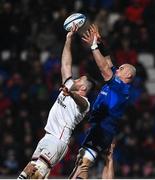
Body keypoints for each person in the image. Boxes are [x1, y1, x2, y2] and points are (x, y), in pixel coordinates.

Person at [17, 25, 95, 179]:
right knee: (28, 171)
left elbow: (81, 103)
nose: (76, 78)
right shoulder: (69, 86)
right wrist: (68, 39)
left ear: (84, 87)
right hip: (47, 137)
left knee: (37, 173)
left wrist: (70, 95)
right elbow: (65, 64)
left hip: (58, 140)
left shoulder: (84, 102)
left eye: (80, 79)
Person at [69, 24, 136, 179]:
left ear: (128, 76)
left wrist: (93, 47)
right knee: (103, 158)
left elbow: (104, 69)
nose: (118, 68)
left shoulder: (120, 87)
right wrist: (99, 42)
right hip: (105, 127)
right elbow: (108, 61)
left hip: (102, 127)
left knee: (83, 162)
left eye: (122, 68)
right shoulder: (118, 82)